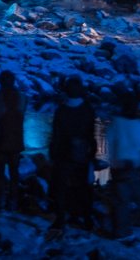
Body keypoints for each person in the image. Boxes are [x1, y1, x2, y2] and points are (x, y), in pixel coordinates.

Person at [106, 91, 140, 239]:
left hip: (119, 167)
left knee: (121, 202)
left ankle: (121, 230)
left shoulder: (115, 123)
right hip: (136, 166)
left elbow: (109, 141)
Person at [48, 76, 96, 230]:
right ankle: (86, 218)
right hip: (82, 153)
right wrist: (91, 153)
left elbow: (56, 134)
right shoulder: (88, 109)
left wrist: (53, 153)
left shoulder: (61, 111)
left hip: (63, 154)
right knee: (83, 187)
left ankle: (61, 218)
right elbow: (91, 133)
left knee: (61, 187)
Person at [0, 70, 27, 211]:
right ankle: (13, 199)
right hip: (16, 140)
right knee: (14, 172)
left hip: (0, 141)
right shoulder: (22, 97)